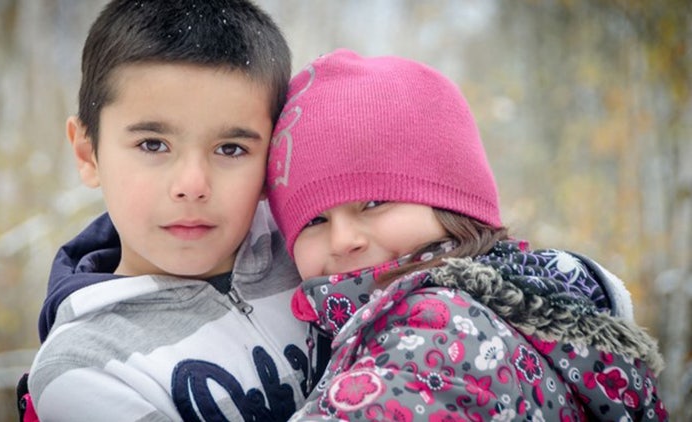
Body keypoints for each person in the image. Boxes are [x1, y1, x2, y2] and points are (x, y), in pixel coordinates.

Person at [266, 48, 667, 421]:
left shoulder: (439, 328)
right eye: (314, 221)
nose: (342, 239)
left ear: (453, 203)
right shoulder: (498, 309)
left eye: (373, 203)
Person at [23, 1, 322, 420]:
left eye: (230, 149)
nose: (192, 186)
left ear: (273, 158)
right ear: (88, 153)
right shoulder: (84, 370)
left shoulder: (318, 250)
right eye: (153, 145)